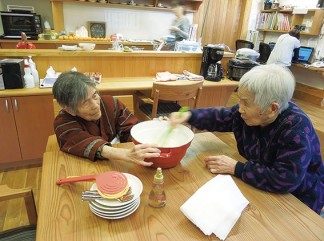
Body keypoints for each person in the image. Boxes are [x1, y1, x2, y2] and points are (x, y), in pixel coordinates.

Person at [169, 64, 324, 214]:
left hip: (299, 200)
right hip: (261, 184)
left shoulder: (296, 129)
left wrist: (237, 168)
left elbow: (286, 179)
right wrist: (190, 115)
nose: (239, 108)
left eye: (246, 103)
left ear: (272, 108)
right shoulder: (248, 113)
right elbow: (221, 117)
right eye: (240, 100)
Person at [52, 71, 161, 166]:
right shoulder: (62, 122)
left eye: (94, 95)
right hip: (84, 165)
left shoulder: (110, 103)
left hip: (118, 164)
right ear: (70, 109)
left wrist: (151, 129)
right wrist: (126, 154)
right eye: (85, 102)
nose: (95, 105)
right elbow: (84, 143)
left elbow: (130, 129)